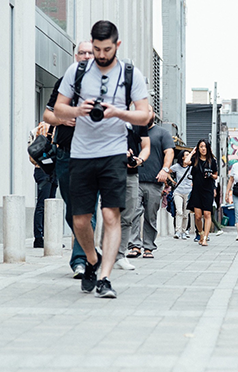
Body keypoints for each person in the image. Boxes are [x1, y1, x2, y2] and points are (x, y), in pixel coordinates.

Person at [54, 21, 150, 298]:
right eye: (96, 49)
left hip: (114, 153)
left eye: (106, 49)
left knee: (110, 215)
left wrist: (118, 113)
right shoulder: (78, 70)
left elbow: (145, 115)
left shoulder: (130, 73)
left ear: (116, 45)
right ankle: (93, 261)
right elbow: (58, 108)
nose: (100, 54)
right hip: (82, 153)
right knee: (80, 220)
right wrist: (77, 110)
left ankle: (105, 277)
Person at [43, 40, 93, 278]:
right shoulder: (64, 82)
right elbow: (47, 114)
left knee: (87, 209)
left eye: (90, 53)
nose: (85, 56)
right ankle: (88, 246)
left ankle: (81, 260)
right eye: (81, 53)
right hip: (65, 152)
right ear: (76, 56)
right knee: (72, 210)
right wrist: (62, 120)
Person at [127, 106, 175, 259]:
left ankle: (148, 247)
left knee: (150, 215)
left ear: (154, 114)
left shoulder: (162, 133)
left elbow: (169, 152)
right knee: (133, 212)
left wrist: (165, 170)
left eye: (148, 111)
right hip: (134, 179)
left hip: (154, 181)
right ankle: (134, 245)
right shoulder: (132, 132)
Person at [114, 119, 150, 270]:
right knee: (111, 214)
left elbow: (146, 146)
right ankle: (107, 254)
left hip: (131, 174)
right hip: (111, 171)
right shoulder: (108, 116)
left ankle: (120, 256)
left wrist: (139, 159)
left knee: (128, 215)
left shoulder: (138, 121)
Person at [28, 121, 58, 249]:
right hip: (45, 169)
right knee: (43, 204)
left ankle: (46, 237)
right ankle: (39, 238)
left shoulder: (42, 128)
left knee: (49, 205)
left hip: (47, 169)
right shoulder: (46, 127)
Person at [185, 140, 218, 246]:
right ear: (198, 148)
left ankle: (205, 238)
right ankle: (201, 233)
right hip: (197, 190)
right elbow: (185, 162)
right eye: (201, 147)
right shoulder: (195, 159)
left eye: (205, 147)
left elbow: (216, 175)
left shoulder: (212, 161)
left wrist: (210, 175)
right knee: (198, 216)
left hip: (208, 189)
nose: (203, 149)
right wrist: (192, 152)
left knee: (207, 214)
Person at [169, 150, 193, 240]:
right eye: (186, 155)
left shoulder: (191, 167)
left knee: (186, 213)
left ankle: (183, 231)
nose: (188, 156)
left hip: (188, 192)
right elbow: (167, 171)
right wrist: (172, 181)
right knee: (179, 211)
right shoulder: (177, 166)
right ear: (182, 157)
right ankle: (178, 231)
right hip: (178, 192)